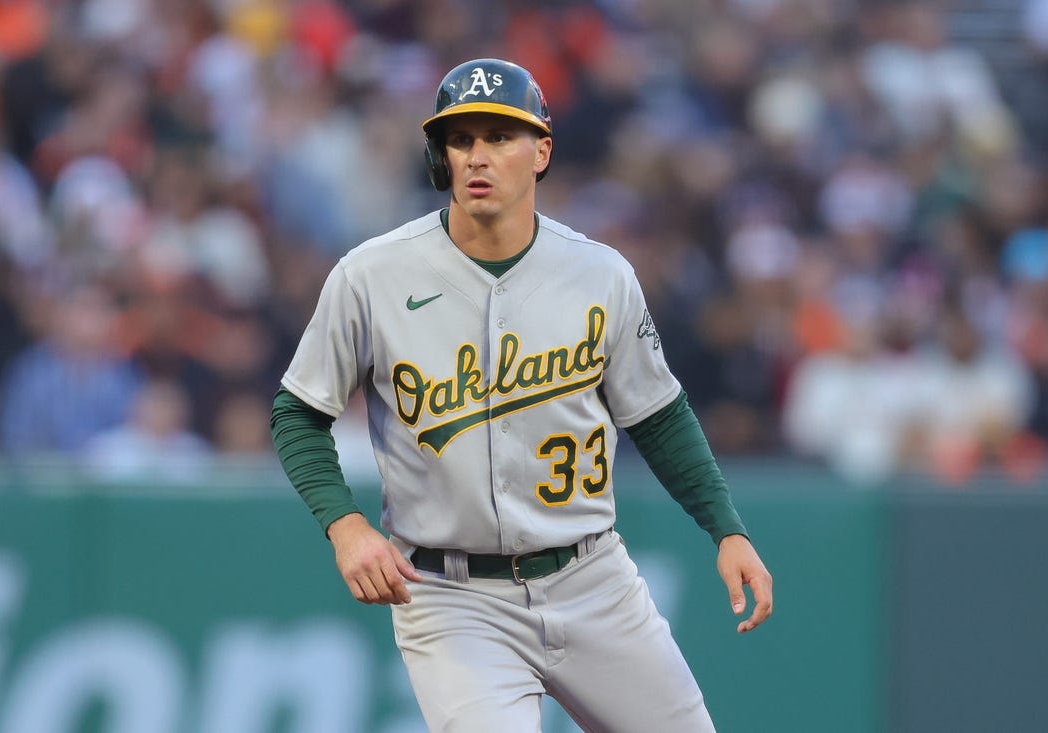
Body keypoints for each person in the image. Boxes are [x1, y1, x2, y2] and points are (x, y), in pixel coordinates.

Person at [271, 58, 772, 732]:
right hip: (451, 596)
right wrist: (347, 524)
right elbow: (299, 411)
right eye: (461, 139)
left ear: (541, 151)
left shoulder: (600, 274)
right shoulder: (372, 276)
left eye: (500, 137)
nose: (478, 156)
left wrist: (726, 526)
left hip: (593, 578)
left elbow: (658, 414)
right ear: (438, 157)